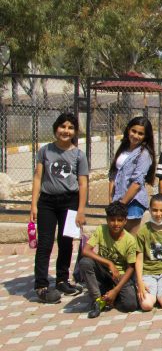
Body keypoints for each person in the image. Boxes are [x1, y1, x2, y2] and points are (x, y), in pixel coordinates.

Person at [30, 112, 88, 303]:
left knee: (66, 243)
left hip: (69, 202)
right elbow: (38, 178)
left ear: (75, 131)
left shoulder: (79, 155)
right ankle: (41, 284)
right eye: (62, 126)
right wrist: (34, 205)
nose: (66, 130)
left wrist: (80, 210)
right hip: (47, 202)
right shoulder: (45, 151)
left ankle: (62, 279)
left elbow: (83, 184)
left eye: (70, 127)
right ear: (56, 128)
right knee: (45, 243)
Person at [80, 202, 139, 318]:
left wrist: (116, 290)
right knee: (85, 262)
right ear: (107, 220)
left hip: (120, 276)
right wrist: (109, 263)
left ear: (125, 221)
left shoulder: (130, 240)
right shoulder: (101, 230)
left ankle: (111, 297)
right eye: (112, 220)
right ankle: (97, 300)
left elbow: (131, 268)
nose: (116, 224)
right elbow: (86, 251)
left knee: (130, 305)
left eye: (120, 220)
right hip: (103, 270)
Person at [109, 116, 156, 234]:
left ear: (146, 136)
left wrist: (122, 205)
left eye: (140, 133)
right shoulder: (124, 148)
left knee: (130, 241)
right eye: (133, 131)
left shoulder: (144, 154)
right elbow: (113, 174)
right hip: (117, 201)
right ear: (128, 130)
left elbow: (137, 183)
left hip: (132, 202)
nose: (135, 136)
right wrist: (111, 201)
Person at [135, 194, 162, 311]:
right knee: (147, 305)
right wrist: (139, 281)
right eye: (154, 210)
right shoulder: (143, 230)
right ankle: (152, 295)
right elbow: (139, 258)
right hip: (148, 272)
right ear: (149, 210)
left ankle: (160, 294)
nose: (158, 214)